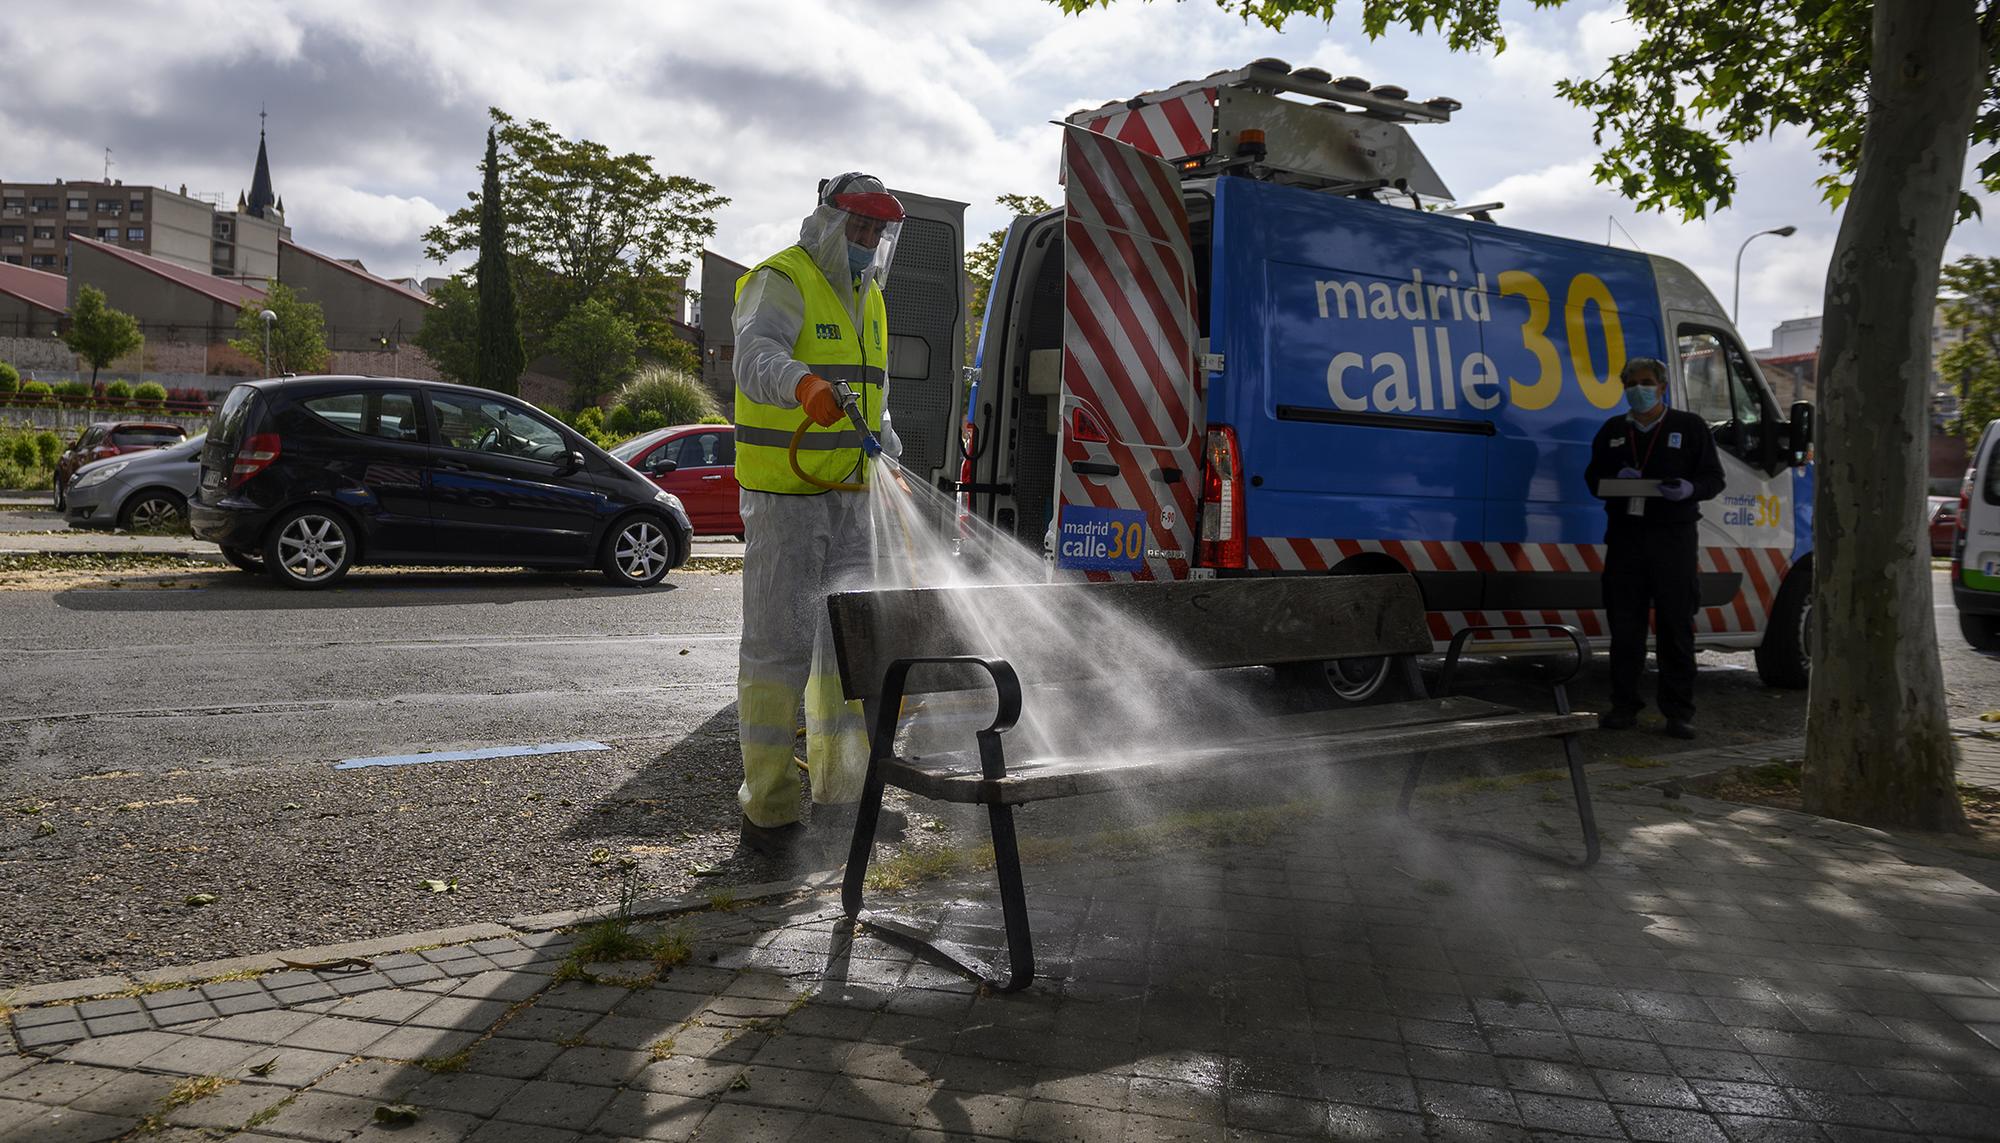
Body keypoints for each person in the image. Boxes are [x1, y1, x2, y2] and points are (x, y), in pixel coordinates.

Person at [730, 172, 905, 860]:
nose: (865, 241)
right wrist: (802, 384)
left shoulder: (871, 299)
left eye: (875, 231)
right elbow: (755, 359)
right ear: (828, 220)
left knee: (847, 652)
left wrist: (887, 448)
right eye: (856, 227)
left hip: (852, 498)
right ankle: (768, 811)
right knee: (777, 650)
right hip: (786, 500)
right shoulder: (781, 278)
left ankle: (843, 798)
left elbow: (871, 395)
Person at [1583, 356, 1726, 739]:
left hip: (1673, 541)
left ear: (1662, 387)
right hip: (1626, 540)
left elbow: (1714, 478)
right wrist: (1614, 479)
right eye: (1631, 383)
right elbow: (1592, 479)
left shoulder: (1689, 427)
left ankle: (1678, 712)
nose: (1638, 389)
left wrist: (1690, 489)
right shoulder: (1613, 430)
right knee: (1625, 627)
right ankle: (1623, 706)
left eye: (1646, 382)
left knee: (1675, 627)